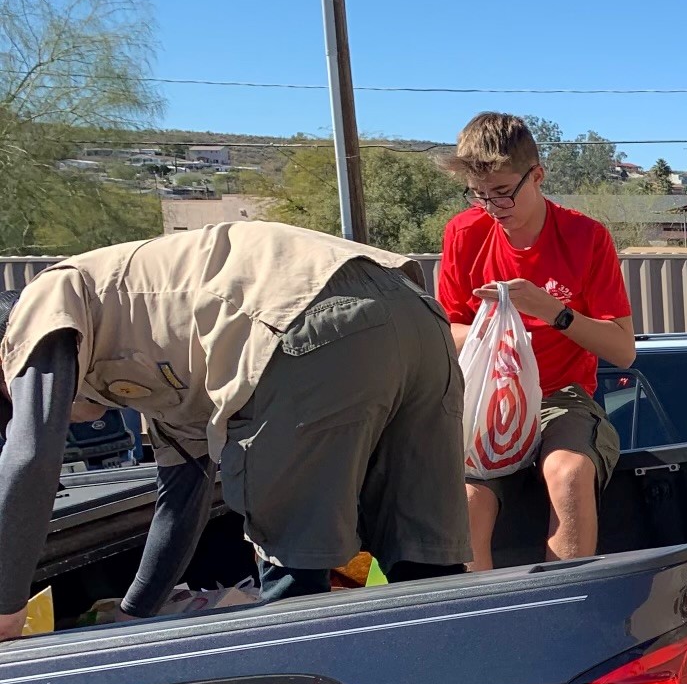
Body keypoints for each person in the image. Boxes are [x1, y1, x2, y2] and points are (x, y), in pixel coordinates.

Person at [0, 221, 469, 639]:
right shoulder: (163, 353)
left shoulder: (46, 299)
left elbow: (30, 454)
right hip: (416, 315)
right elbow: (181, 504)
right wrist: (135, 615)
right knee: (426, 563)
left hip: (305, 321)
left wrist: (6, 606)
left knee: (296, 580)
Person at [437, 112, 636, 569]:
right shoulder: (464, 234)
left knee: (568, 473)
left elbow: (623, 351)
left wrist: (552, 311)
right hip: (487, 397)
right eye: (479, 194)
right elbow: (447, 332)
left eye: (503, 191)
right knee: (464, 500)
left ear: (537, 175)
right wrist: (500, 334)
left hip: (560, 396)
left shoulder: (586, 237)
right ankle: (481, 627)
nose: (492, 206)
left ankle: (563, 617)